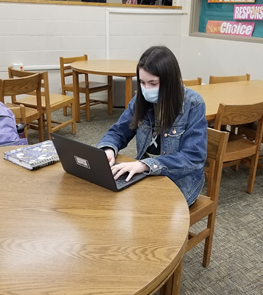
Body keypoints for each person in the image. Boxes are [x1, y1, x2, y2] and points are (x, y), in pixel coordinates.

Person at [97, 46, 207, 206]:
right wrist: (109, 148)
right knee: (109, 199)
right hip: (144, 174)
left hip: (179, 182)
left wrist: (145, 165)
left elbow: (193, 158)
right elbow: (118, 132)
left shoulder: (193, 104)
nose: (146, 89)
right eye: (142, 82)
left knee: (147, 214)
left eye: (153, 83)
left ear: (170, 82)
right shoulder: (140, 101)